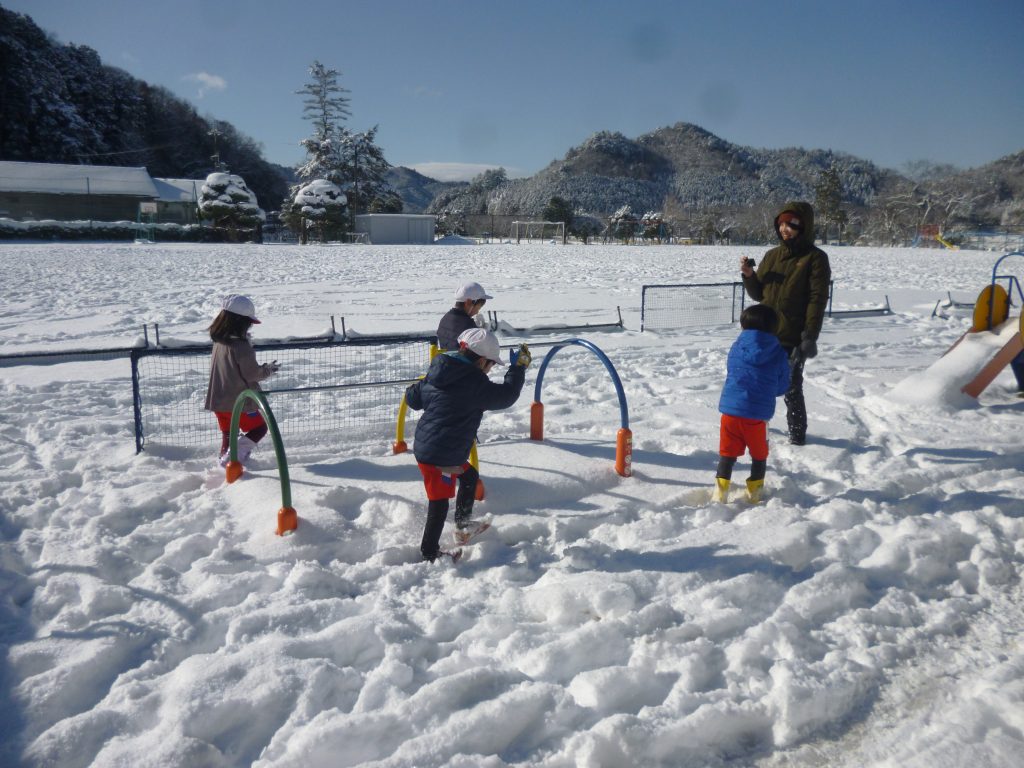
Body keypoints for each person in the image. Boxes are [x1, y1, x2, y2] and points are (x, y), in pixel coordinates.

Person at [405, 327, 530, 562]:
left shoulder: (438, 372)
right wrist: (518, 369)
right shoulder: (475, 385)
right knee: (439, 504)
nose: (491, 369)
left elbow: (412, 399)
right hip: (441, 455)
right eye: (492, 364)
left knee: (469, 477)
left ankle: (462, 525)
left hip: (435, 447)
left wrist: (423, 385)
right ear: (482, 360)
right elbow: (507, 396)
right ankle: (430, 552)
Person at [741, 201, 831, 445]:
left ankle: (797, 438)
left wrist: (809, 336)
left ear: (804, 226)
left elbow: (817, 299)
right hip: (764, 335)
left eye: (791, 224)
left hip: (793, 335)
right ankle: (759, 430)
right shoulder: (772, 255)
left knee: (791, 388)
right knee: (760, 385)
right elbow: (759, 295)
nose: (785, 229)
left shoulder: (815, 259)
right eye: (781, 224)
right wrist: (749, 277)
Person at [714, 304, 791, 503]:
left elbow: (731, 369)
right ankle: (755, 493)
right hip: (757, 416)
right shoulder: (778, 352)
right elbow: (782, 385)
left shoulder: (737, 346)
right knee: (759, 455)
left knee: (727, 453)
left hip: (730, 412)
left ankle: (720, 491)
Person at [204, 294, 279, 466]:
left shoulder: (219, 341)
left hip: (218, 401)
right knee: (259, 428)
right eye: (249, 322)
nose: (250, 325)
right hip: (238, 402)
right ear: (240, 322)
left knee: (229, 434)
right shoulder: (241, 346)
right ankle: (232, 459)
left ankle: (226, 466)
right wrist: (268, 370)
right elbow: (252, 374)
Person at [436, 281, 493, 351]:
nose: (477, 312)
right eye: (478, 308)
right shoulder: (468, 325)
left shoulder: (445, 318)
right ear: (468, 302)